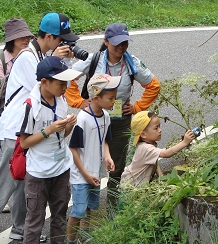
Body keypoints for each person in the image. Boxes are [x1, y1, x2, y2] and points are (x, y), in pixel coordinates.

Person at [0, 12, 79, 244]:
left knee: (24, 182)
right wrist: (55, 59)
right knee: (5, 181)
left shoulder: (39, 54)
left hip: (30, 129)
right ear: (49, 36)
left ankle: (20, 229)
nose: (64, 44)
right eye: (61, 40)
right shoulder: (29, 58)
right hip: (14, 131)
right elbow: (43, 85)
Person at [65, 22, 161, 212]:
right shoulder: (94, 60)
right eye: (116, 43)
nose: (120, 47)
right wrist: (78, 101)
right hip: (94, 119)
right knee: (89, 164)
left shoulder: (132, 62)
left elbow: (154, 85)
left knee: (116, 166)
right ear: (106, 41)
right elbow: (68, 77)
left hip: (119, 122)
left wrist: (136, 107)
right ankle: (85, 209)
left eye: (124, 42)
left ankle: (112, 208)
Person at [17, 56, 81, 244]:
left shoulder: (61, 100)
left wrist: (68, 125)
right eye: (61, 83)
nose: (65, 88)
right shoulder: (31, 106)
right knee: (35, 221)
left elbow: (62, 136)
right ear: (44, 82)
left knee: (59, 216)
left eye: (66, 83)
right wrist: (49, 130)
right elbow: (24, 143)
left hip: (61, 168)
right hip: (38, 173)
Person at [66, 73, 118, 244]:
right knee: (78, 211)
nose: (113, 102)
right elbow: (73, 149)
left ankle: (85, 237)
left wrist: (108, 157)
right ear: (96, 98)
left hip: (95, 172)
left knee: (89, 208)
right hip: (82, 174)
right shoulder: (82, 120)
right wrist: (85, 174)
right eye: (110, 98)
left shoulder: (106, 117)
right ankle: (70, 241)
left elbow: (104, 142)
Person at [0, 17, 34, 214]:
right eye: (20, 36)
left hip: (23, 120)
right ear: (11, 39)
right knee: (1, 162)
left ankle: (18, 220)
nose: (25, 39)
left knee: (18, 164)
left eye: (27, 36)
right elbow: (7, 90)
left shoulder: (31, 56)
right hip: (3, 119)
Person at [120, 111, 195, 187]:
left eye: (159, 126)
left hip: (136, 183)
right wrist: (184, 142)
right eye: (156, 128)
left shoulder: (148, 144)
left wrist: (161, 176)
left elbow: (153, 160)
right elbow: (166, 154)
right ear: (143, 134)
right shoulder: (146, 148)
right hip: (131, 186)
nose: (160, 130)